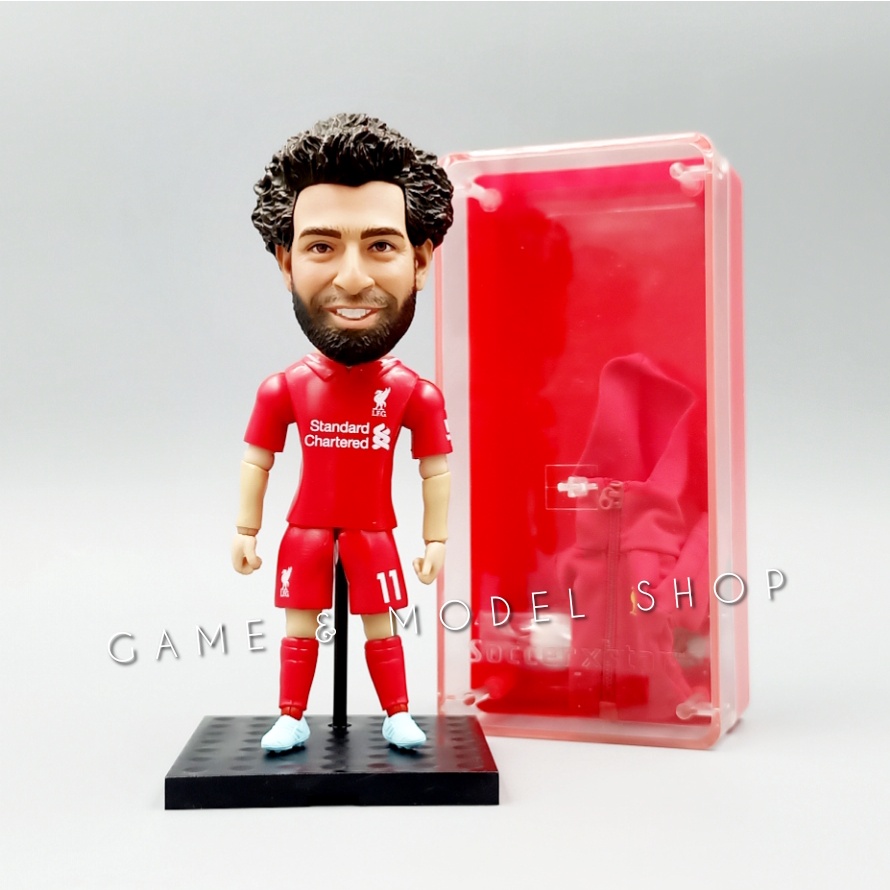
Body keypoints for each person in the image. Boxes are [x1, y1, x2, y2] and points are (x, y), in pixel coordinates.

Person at [231, 114, 454, 752]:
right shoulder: (284, 388)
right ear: (286, 262)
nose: (352, 278)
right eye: (321, 247)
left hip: (374, 528)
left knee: (382, 622)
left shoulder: (413, 392)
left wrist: (436, 539)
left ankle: (397, 713)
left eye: (380, 245)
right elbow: (257, 461)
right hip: (305, 528)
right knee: (299, 623)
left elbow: (435, 469)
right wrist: (246, 529)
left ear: (420, 261)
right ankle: (291, 715)